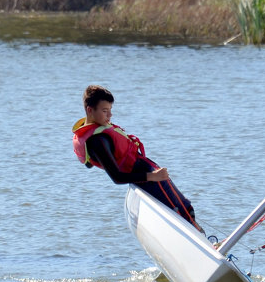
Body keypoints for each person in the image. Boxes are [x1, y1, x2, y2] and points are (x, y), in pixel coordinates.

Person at [72, 84, 201, 231]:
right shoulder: (98, 141)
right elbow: (117, 178)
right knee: (181, 212)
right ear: (90, 110)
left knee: (185, 208)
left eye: (110, 110)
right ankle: (206, 244)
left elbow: (88, 163)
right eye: (104, 111)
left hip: (147, 172)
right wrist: (153, 176)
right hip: (147, 179)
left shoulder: (94, 132)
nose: (110, 115)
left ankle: (207, 240)